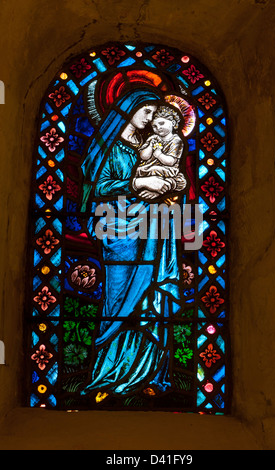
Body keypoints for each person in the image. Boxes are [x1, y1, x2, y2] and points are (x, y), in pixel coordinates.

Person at [79, 89, 183, 397]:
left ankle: (147, 373)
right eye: (148, 111)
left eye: (155, 113)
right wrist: (139, 183)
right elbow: (97, 186)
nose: (152, 119)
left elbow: (173, 177)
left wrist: (166, 185)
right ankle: (108, 371)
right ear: (129, 109)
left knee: (148, 300)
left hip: (150, 227)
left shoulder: (146, 147)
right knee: (118, 300)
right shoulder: (108, 147)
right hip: (117, 229)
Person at [133, 105, 187, 200]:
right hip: (148, 167)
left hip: (167, 170)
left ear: (173, 123)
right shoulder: (153, 138)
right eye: (154, 126)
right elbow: (143, 156)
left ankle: (157, 189)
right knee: (138, 170)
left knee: (155, 169)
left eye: (161, 123)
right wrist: (150, 147)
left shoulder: (176, 141)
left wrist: (158, 154)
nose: (158, 128)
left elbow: (171, 161)